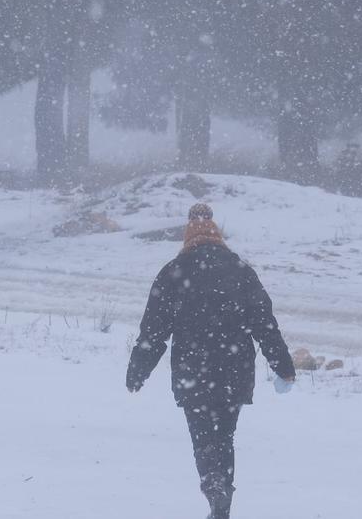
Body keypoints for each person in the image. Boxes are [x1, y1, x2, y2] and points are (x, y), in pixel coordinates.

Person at [126, 203, 296, 519]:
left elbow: (154, 329)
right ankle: (223, 503)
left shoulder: (173, 272)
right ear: (218, 236)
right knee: (224, 437)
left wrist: (138, 369)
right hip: (235, 369)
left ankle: (214, 490)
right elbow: (264, 324)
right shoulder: (241, 269)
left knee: (203, 438)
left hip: (193, 370)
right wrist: (283, 365)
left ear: (187, 238)